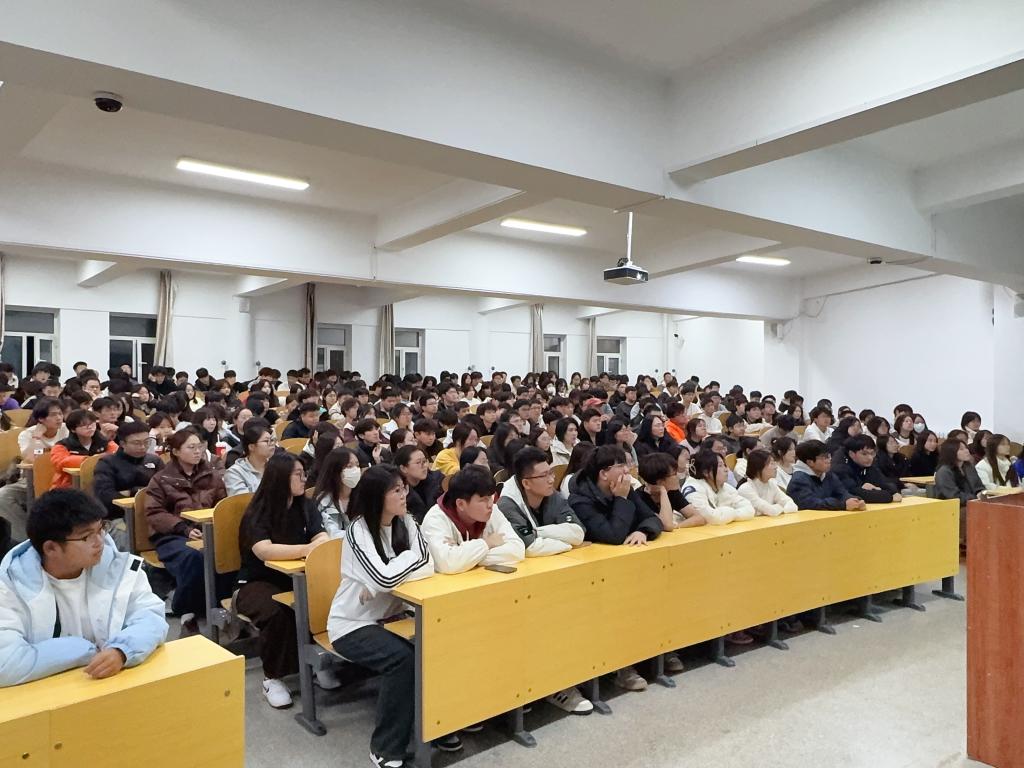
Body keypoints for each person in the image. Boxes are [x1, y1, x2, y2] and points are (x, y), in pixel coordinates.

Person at [0, 489, 168, 686]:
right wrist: (83, 651)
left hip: (115, 684)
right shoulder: (11, 586)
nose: (100, 542)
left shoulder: (119, 568)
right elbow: (6, 663)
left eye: (101, 529)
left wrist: (122, 651)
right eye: (87, 536)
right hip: (48, 692)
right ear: (51, 548)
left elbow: (152, 617)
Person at [327, 465, 435, 766]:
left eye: (404, 488)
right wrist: (405, 561)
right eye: (396, 490)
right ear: (377, 496)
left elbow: (429, 564)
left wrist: (377, 583)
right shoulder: (358, 530)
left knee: (439, 646)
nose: (404, 495)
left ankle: (437, 727)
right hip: (352, 625)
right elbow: (388, 577)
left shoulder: (407, 521)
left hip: (392, 618)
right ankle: (385, 748)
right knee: (404, 660)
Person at [495, 448, 595, 715]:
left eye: (551, 472)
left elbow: (577, 532)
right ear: (526, 483)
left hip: (554, 573)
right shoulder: (507, 504)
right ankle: (552, 686)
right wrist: (562, 543)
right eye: (544, 475)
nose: (552, 479)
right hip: (518, 585)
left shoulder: (552, 495)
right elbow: (529, 548)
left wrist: (539, 532)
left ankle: (565, 679)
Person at [237, 454, 334, 708]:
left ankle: (314, 662)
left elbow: (321, 536)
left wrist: (314, 545)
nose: (304, 479)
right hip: (257, 582)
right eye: (298, 474)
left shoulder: (306, 505)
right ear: (280, 477)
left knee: (321, 600)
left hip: (297, 577)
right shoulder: (258, 511)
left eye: (304, 473)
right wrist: (305, 549)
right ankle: (273, 677)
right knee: (278, 612)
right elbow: (264, 550)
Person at [567, 445, 662, 690]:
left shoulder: (625, 490)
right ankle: (620, 669)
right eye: (621, 466)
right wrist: (620, 499)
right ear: (604, 473)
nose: (627, 471)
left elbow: (653, 519)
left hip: (624, 569)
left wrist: (643, 531)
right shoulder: (580, 499)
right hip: (592, 576)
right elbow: (613, 535)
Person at [144, 427, 228, 637]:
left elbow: (222, 506)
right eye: (191, 447)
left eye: (199, 446)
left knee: (228, 553)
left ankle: (220, 605)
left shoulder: (212, 476)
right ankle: (186, 611)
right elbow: (155, 513)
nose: (197, 451)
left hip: (207, 531)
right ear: (176, 451)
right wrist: (183, 528)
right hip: (173, 535)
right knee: (193, 556)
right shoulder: (161, 479)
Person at [421, 466, 524, 573]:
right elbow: (447, 564)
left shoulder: (493, 510)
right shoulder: (435, 519)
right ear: (461, 504)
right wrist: (487, 543)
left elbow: (517, 549)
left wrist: (467, 559)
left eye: (491, 497)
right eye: (483, 500)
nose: (490, 504)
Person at [0, 399, 69, 548]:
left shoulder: (66, 430)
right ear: (41, 419)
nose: (59, 418)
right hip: (30, 479)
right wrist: (37, 437)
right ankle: (27, 537)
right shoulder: (27, 434)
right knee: (3, 495)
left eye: (60, 413)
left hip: (63, 478)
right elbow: (31, 459)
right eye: (53, 415)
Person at [934, 439, 985, 550]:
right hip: (952, 506)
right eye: (961, 449)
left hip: (971, 501)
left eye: (966, 448)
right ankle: (964, 543)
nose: (966, 451)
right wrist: (974, 498)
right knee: (967, 511)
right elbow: (952, 495)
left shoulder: (968, 467)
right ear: (951, 452)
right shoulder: (944, 471)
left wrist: (981, 493)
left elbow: (978, 486)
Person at [787, 440, 865, 511]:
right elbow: (811, 504)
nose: (829, 460)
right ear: (810, 462)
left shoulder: (828, 474)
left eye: (829, 456)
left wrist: (855, 500)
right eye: (824, 458)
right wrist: (842, 505)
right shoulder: (799, 480)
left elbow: (841, 493)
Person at [636, 451, 706, 530]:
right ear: (660, 481)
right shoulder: (639, 498)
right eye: (674, 474)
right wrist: (663, 491)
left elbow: (699, 518)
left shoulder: (672, 492)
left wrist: (677, 526)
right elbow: (666, 525)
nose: (678, 477)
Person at [682, 450, 755, 525]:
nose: (726, 470)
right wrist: (731, 513)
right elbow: (710, 518)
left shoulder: (725, 486)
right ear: (706, 472)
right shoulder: (692, 488)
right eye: (720, 466)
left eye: (724, 465)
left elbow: (749, 510)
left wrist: (730, 515)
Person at [49, 410, 117, 489]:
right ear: (73, 429)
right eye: (84, 425)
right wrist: (92, 460)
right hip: (67, 486)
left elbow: (117, 454)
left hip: (101, 484)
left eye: (92, 424)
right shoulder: (62, 445)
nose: (90, 427)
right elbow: (61, 462)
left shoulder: (104, 441)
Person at [831, 435, 902, 504]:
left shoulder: (867, 464)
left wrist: (892, 492)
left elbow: (883, 482)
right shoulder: (840, 468)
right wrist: (888, 496)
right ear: (851, 454)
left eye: (872, 453)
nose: (870, 458)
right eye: (864, 454)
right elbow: (854, 492)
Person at [312, 448, 361, 538]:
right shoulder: (324, 501)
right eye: (349, 466)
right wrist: (361, 536)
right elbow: (333, 534)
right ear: (335, 471)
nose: (356, 470)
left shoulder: (362, 495)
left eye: (357, 465)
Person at [737, 449, 797, 516]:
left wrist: (777, 508)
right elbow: (772, 511)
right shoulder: (745, 489)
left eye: (774, 463)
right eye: (771, 464)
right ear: (759, 467)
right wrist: (780, 507)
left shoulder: (771, 484)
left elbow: (791, 504)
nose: (776, 467)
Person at [224, 420, 276, 496]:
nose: (272, 444)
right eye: (266, 441)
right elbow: (242, 501)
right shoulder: (235, 473)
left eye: (272, 440)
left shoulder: (276, 466)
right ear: (251, 447)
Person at [394, 446, 443, 525]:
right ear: (403, 468)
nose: (424, 466)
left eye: (424, 461)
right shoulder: (397, 492)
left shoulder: (437, 480)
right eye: (418, 462)